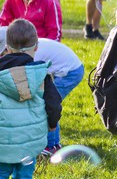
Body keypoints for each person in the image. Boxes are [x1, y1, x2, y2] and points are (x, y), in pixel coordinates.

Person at [0, 19, 62, 179]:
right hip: (29, 141)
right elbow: (53, 105)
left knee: (1, 173)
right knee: (23, 178)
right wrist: (52, 125)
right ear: (36, 47)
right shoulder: (42, 75)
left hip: (3, 140)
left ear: (7, 47)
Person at [0, 28, 83, 157]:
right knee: (50, 104)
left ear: (8, 48)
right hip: (70, 67)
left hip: (70, 72)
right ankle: (54, 144)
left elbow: (28, 80)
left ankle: (51, 146)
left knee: (47, 105)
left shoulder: (29, 58)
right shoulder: (29, 49)